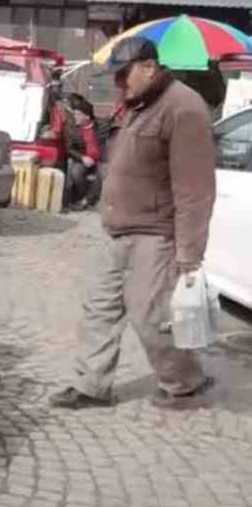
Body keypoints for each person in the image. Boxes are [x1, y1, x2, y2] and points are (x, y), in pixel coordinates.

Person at [50, 37, 217, 411]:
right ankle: (91, 385)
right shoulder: (135, 104)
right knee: (99, 309)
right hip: (116, 228)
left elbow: (195, 189)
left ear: (149, 67)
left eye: (123, 75)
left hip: (154, 234)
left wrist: (190, 254)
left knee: (151, 317)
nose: (118, 83)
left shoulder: (184, 107)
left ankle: (184, 381)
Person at [64, 93, 103, 211]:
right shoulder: (72, 129)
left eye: (77, 114)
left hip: (101, 160)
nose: (75, 116)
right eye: (74, 114)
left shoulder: (101, 126)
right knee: (76, 171)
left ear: (86, 116)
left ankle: (86, 201)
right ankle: (85, 196)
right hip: (84, 159)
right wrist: (83, 158)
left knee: (104, 170)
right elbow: (69, 148)